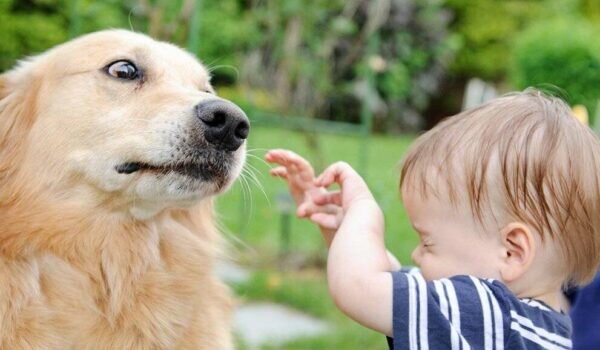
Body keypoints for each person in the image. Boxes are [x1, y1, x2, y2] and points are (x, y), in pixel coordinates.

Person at [265, 90, 600, 349]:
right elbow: (392, 280)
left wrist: (362, 213)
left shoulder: (490, 316)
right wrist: (342, 229)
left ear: (512, 251)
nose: (416, 255)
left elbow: (360, 287)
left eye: (428, 241)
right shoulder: (546, 327)